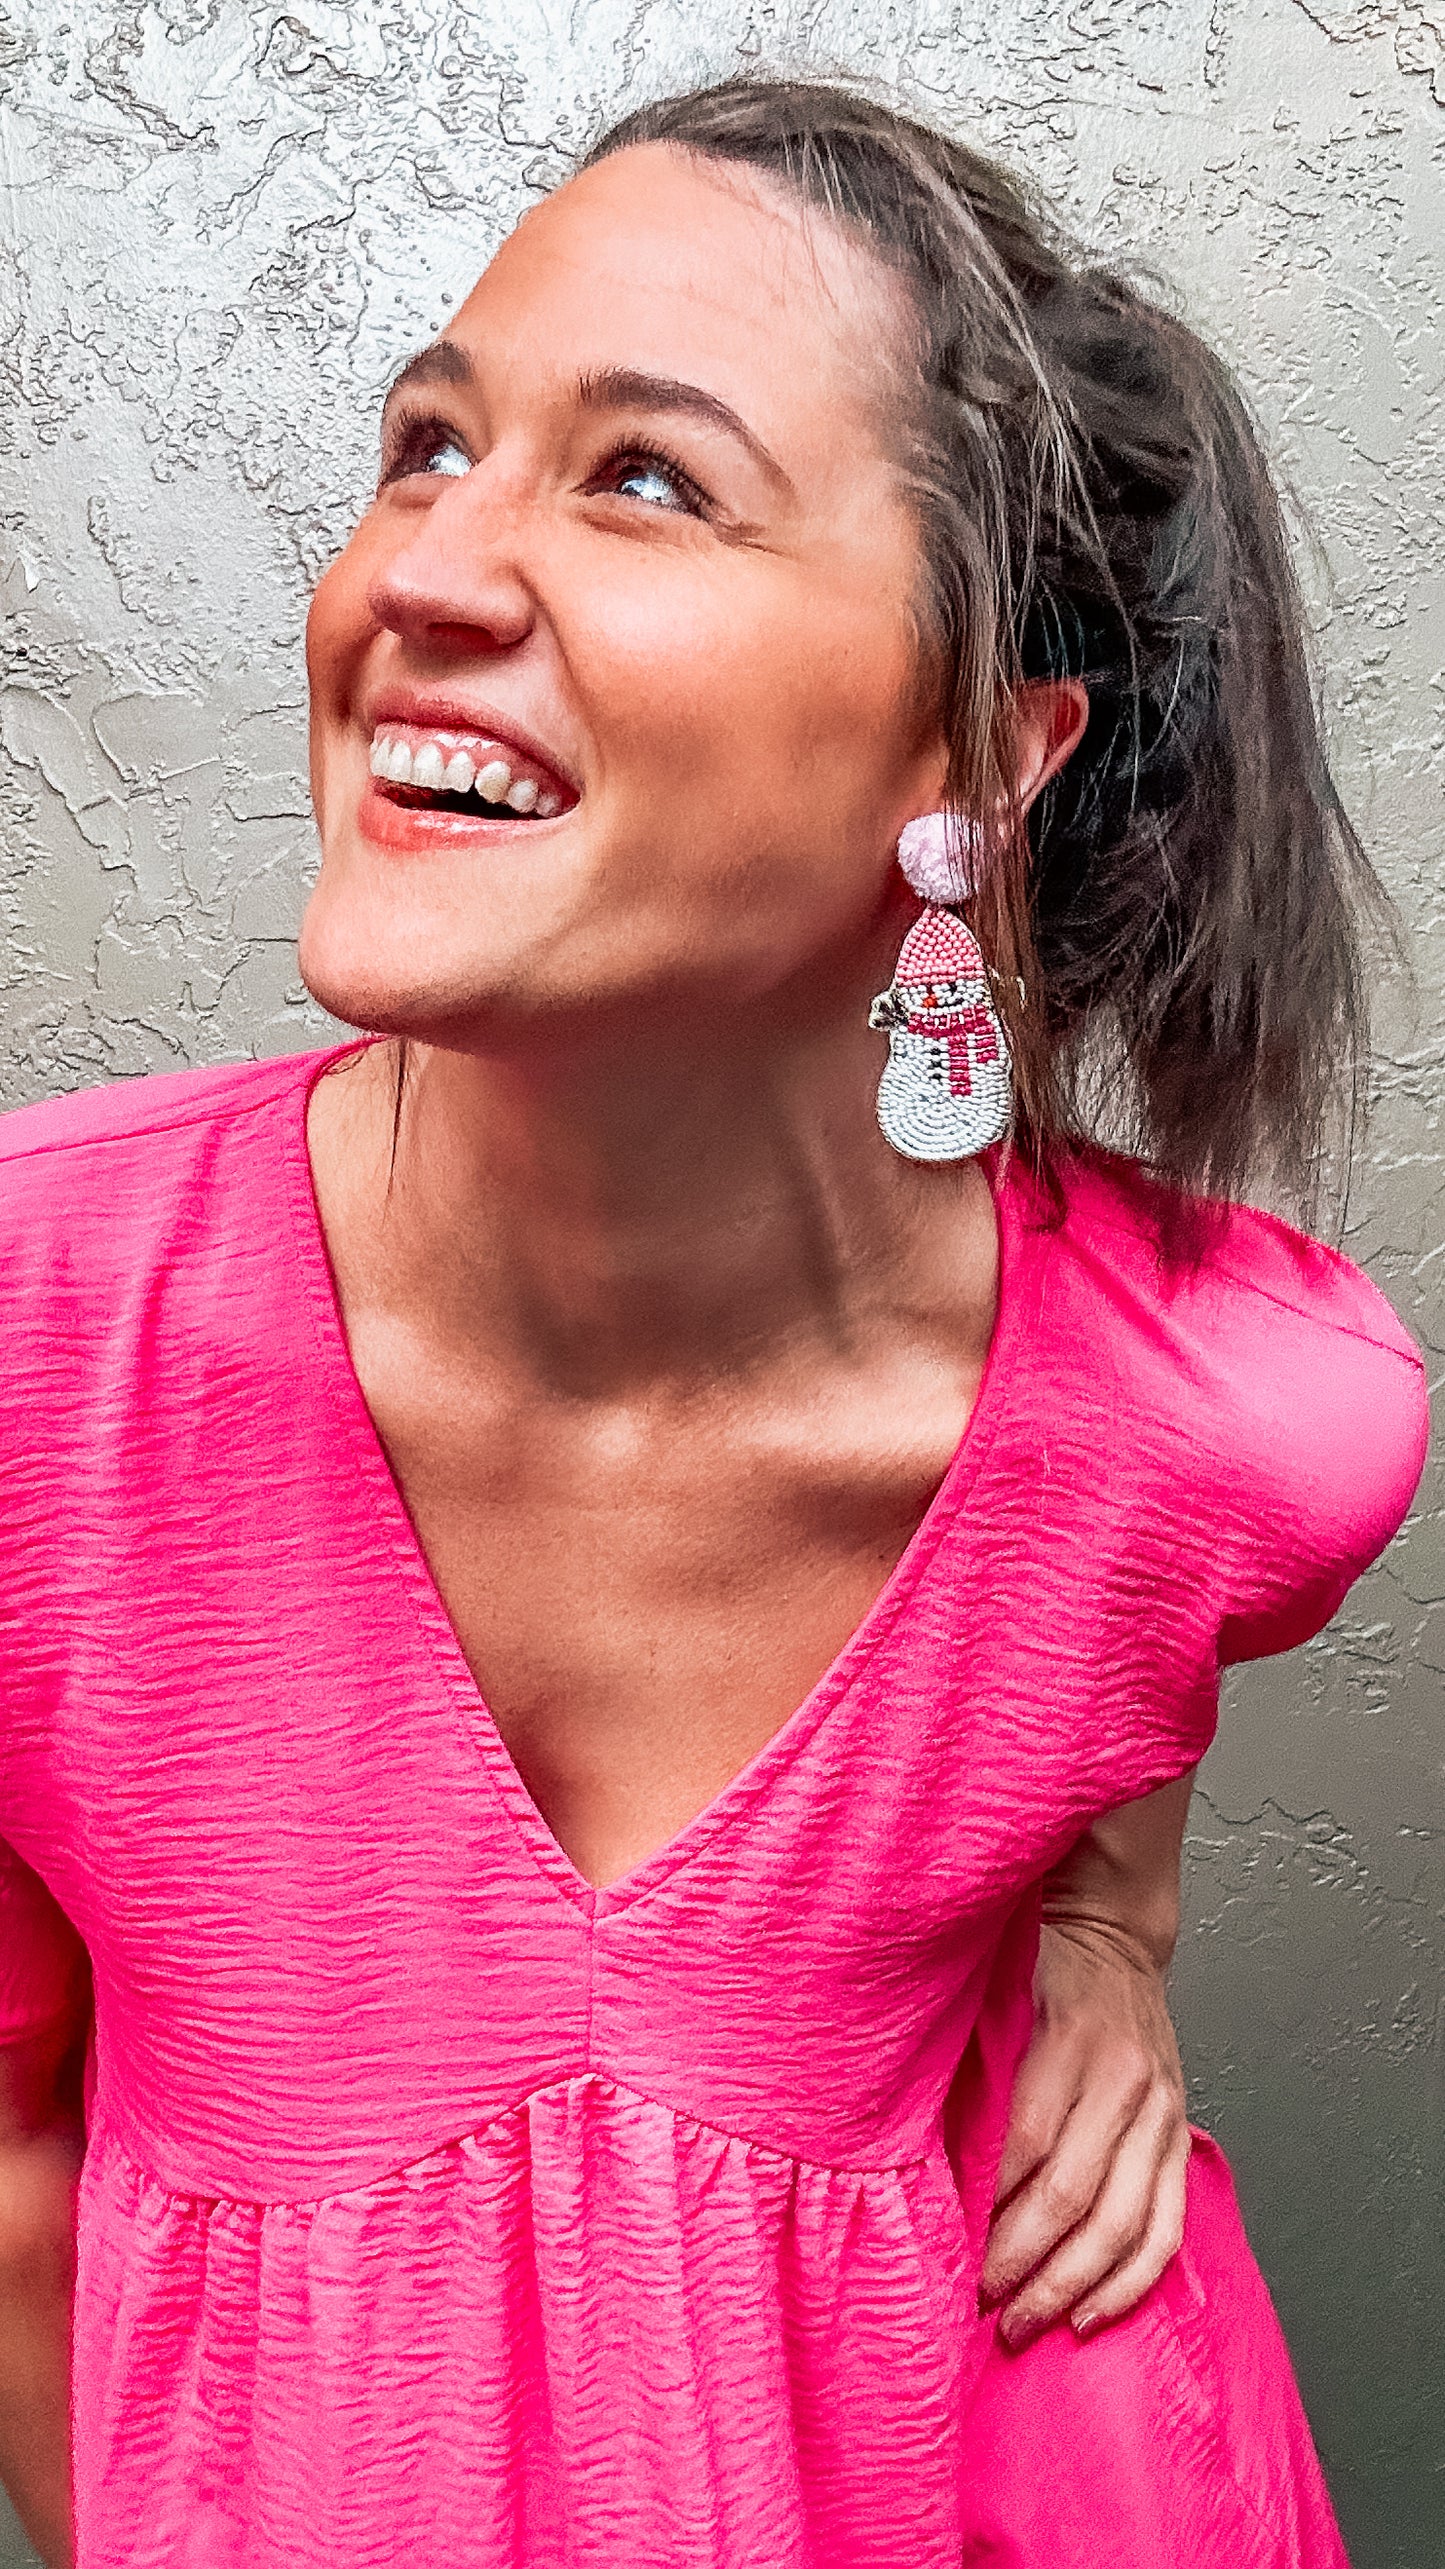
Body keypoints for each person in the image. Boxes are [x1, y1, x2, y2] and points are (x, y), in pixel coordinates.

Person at [0, 73, 1427, 2569]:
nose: (422, 569)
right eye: (425, 443)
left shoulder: (1250, 1409)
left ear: (984, 753)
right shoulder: (37, 1358)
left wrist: (1101, 1911)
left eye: (642, 478)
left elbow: (1128, 1579)